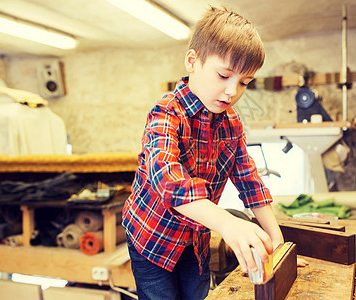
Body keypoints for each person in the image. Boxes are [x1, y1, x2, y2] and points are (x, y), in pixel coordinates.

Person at [122, 6, 306, 300]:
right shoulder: (166, 113)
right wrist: (228, 224)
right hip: (152, 242)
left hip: (195, 242)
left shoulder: (231, 122)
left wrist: (277, 240)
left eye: (244, 82)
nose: (232, 91)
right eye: (223, 76)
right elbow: (169, 181)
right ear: (193, 61)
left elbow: (250, 182)